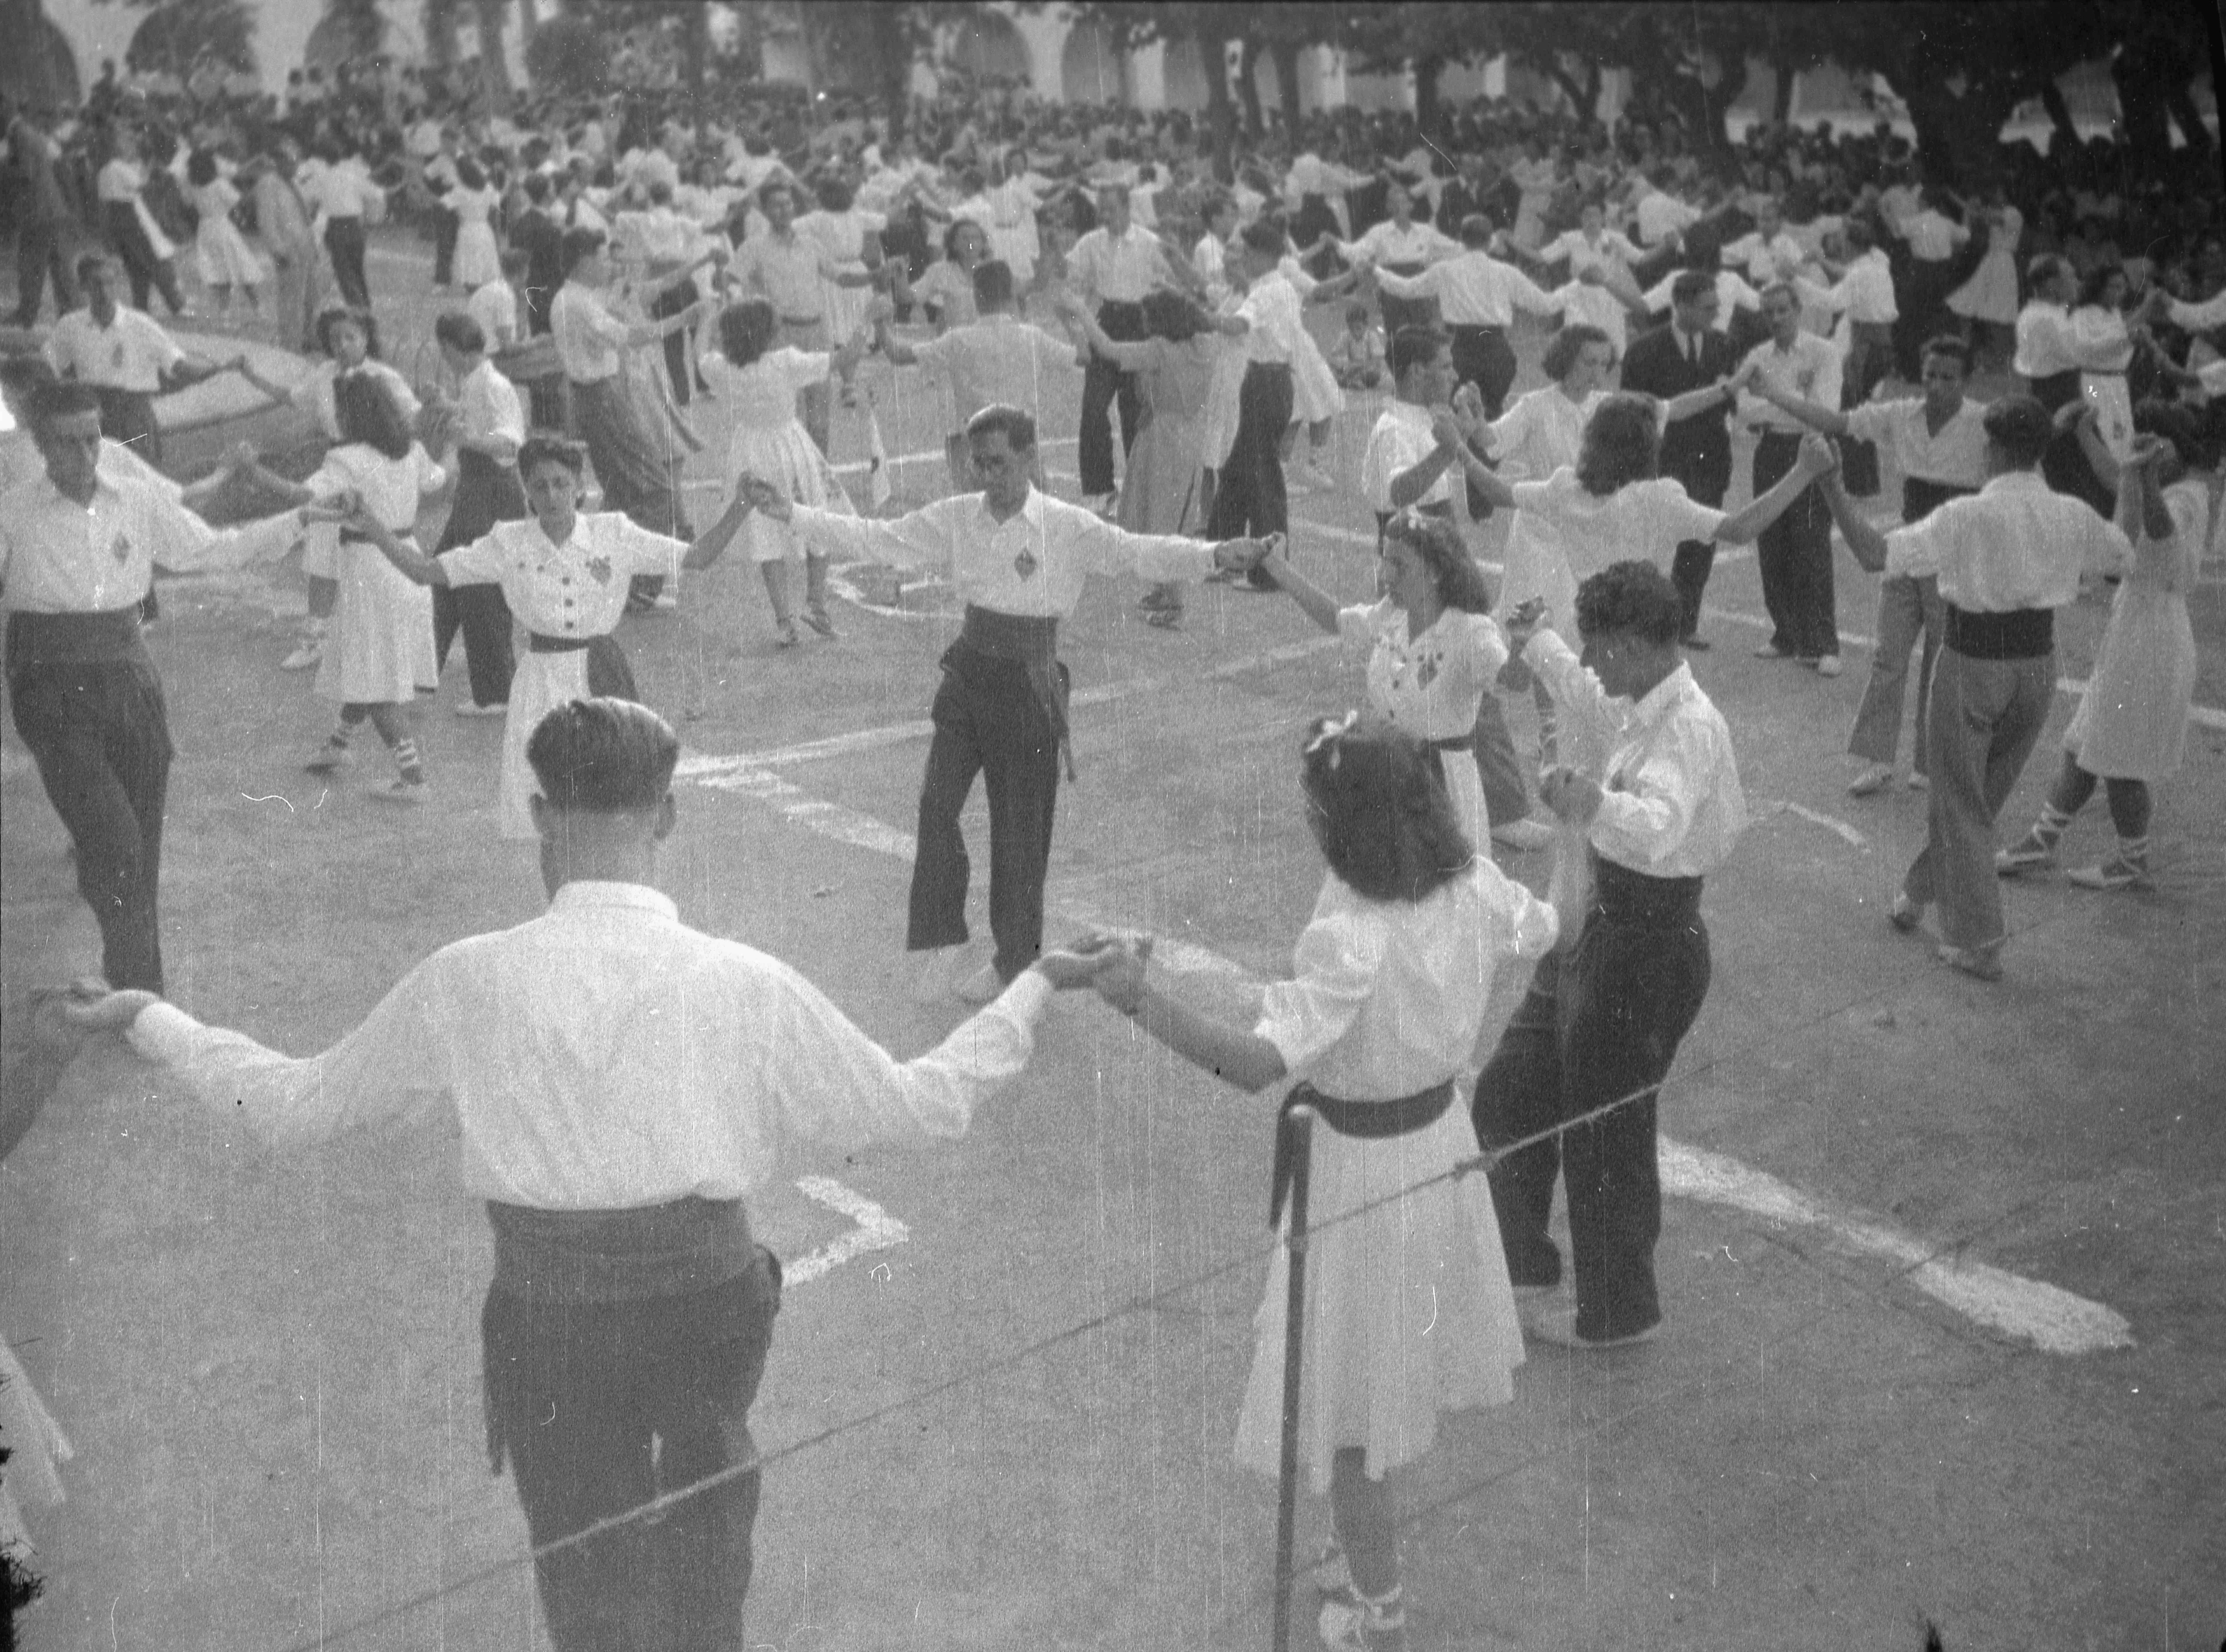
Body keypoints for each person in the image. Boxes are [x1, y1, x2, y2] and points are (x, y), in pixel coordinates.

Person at [54, 695, 1118, 1652]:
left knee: (584, 1564)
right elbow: (921, 1103)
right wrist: (1033, 988)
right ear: (665, 817)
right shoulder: (744, 977)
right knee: (710, 1539)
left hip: (551, 1315)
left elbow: (291, 1105)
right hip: (709, 1302)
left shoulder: (469, 975)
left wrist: (151, 1015)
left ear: (538, 808)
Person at [1082, 718, 1558, 1651]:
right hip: (1436, 1151)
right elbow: (1549, 924)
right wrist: (1575, 835)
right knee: (1379, 1381)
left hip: (1361, 1175)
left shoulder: (1352, 937)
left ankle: (1378, 1608)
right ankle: (1361, 1554)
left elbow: (1258, 1062)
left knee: (1348, 1414)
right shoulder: (1472, 887)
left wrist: (1140, 1000)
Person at [739, 405, 1270, 1003]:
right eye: (977, 464)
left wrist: (1214, 555)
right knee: (936, 804)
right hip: (968, 673)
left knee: (1020, 834)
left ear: (1029, 458)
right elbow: (878, 540)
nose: (986, 475)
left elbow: (1136, 552)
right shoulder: (957, 517)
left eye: (998, 462)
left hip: (1029, 685)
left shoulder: (1065, 527)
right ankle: (945, 936)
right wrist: (790, 513)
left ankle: (1016, 960)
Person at [1472, 560, 1746, 1350]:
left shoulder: (1690, 727)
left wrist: (1592, 804)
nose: (1591, 664)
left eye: (1599, 648)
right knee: (1512, 1087)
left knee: (1606, 1132)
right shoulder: (1636, 698)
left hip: (1648, 941)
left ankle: (1620, 1310)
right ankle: (1523, 1258)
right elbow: (1582, 688)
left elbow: (1658, 821)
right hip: (1596, 919)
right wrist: (1540, 640)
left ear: (1632, 646)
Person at [0, 381, 310, 993]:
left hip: (132, 680)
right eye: (66, 444)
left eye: (92, 439)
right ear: (38, 445)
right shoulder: (12, 513)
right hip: (50, 687)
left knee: (139, 845)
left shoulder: (136, 499)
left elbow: (212, 551)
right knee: (112, 839)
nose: (85, 456)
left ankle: (133, 986)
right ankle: (139, 986)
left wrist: (301, 519)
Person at [1814, 396, 2130, 981]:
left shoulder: (1964, 515)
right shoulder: (2072, 512)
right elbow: (2123, 555)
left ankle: (1980, 941)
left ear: (1994, 450)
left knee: (1960, 803)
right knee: (1976, 801)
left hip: (1972, 660)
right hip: (2039, 668)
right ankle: (1915, 892)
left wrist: (1832, 485)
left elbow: (1870, 553)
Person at [342, 434, 751, 840]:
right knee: (548, 812)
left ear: (579, 488)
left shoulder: (615, 534)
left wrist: (742, 505)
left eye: (561, 483)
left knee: (617, 803)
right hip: (541, 685)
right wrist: (372, 527)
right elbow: (425, 570)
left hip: (603, 675)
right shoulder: (508, 543)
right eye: (540, 486)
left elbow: (698, 558)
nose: (552, 495)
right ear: (528, 493)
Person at [1742, 333, 1990, 795]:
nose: (1937, 386)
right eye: (1931, 375)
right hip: (1905, 550)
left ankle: (1929, 763)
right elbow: (1834, 422)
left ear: (1967, 380)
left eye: (1949, 378)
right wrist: (1773, 394)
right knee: (1888, 660)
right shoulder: (1900, 415)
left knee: (1940, 665)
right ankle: (1879, 760)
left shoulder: (1983, 423)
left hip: (1952, 556)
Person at [1351, 325, 1544, 849]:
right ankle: (1491, 807)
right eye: (1444, 365)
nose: (1455, 373)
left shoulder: (1427, 421)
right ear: (1417, 372)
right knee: (1446, 674)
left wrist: (1461, 433)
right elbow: (1397, 493)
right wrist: (1446, 450)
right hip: (1416, 553)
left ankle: (1493, 803)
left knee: (1453, 673)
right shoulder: (1393, 426)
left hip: (1437, 545)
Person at [1995, 405, 2202, 891]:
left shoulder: (2189, 495)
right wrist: (2085, 431)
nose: (2148, 450)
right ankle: (2042, 841)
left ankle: (2132, 861)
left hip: (2155, 636)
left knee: (2119, 760)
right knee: (2082, 742)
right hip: (2134, 628)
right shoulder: (2163, 481)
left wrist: (2146, 476)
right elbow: (2118, 481)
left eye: (2158, 441)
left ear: (2178, 445)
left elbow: (2158, 528)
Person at [232, 374, 450, 801]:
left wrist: (252, 469)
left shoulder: (346, 459)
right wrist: (454, 444)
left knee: (374, 678)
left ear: (351, 415)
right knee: (368, 664)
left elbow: (301, 495)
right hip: (407, 562)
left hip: (369, 571)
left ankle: (413, 777)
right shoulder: (412, 451)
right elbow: (438, 481)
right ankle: (339, 744)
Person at [1254, 508, 1512, 847]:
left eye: (1398, 565)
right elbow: (1336, 619)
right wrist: (1276, 566)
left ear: (1434, 572)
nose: (1384, 574)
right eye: (1384, 560)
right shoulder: (1391, 614)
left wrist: (1528, 642)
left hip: (1444, 791)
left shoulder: (1471, 632)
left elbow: (1512, 681)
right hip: (1390, 780)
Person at [233, 306, 423, 672]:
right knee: (322, 550)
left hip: (375, 461)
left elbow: (413, 419)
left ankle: (393, 639)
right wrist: (249, 375)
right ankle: (315, 636)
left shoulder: (383, 377)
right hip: (336, 462)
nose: (342, 345)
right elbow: (290, 397)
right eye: (335, 339)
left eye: (350, 337)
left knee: (378, 551)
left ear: (366, 338)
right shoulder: (323, 375)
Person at [550, 226, 716, 612]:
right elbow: (628, 337)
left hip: (598, 394)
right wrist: (685, 318)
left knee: (621, 489)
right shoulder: (579, 302)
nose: (608, 264)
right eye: (602, 257)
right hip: (605, 395)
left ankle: (596, 569)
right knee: (654, 487)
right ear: (583, 260)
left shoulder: (574, 298)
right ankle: (641, 583)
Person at [700, 299, 869, 646]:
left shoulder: (723, 368)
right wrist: (866, 318)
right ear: (767, 334)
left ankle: (784, 621)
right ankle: (816, 603)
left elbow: (701, 354)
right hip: (791, 447)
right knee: (815, 517)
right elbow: (844, 358)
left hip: (750, 451)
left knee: (766, 535)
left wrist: (704, 319)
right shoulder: (786, 362)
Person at [1056, 286, 1220, 627]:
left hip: (1161, 438)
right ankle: (1163, 590)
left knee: (1160, 520)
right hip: (1188, 435)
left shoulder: (1159, 351)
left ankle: (1173, 600)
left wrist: (1083, 313)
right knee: (1173, 516)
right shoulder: (1203, 346)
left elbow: (1109, 349)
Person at [879, 257, 1076, 497]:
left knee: (978, 509)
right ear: (1011, 296)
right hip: (1021, 441)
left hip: (979, 441)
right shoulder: (1033, 337)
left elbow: (896, 354)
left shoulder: (959, 340)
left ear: (978, 297)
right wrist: (1070, 319)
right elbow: (1081, 357)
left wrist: (879, 323)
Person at [1618, 271, 1743, 648]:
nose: (1715, 313)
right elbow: (1632, 413)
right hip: (1662, 461)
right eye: (1707, 307)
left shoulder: (1724, 346)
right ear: (1682, 305)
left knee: (1699, 545)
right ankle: (1641, 626)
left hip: (1709, 460)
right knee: (1651, 545)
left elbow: (1735, 403)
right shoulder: (1642, 350)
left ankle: (1684, 626)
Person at [1734, 282, 1846, 674]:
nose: (1777, 319)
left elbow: (1824, 409)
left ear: (1798, 310)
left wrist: (1774, 398)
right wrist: (1783, 406)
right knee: (1772, 540)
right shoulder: (1758, 355)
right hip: (1771, 449)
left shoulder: (1824, 352)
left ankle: (1823, 643)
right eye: (1769, 313)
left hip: (1811, 447)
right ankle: (1786, 634)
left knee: (1811, 542)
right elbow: (1744, 411)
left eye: (1784, 310)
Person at [425, 312, 528, 716]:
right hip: (476, 489)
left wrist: (468, 439)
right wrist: (446, 405)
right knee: (446, 576)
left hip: (491, 492)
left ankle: (496, 693)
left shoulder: (493, 384)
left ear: (450, 348)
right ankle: (422, 670)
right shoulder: (475, 382)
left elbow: (510, 440)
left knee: (478, 587)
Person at [44, 254, 231, 472]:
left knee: (143, 479)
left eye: (110, 283)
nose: (105, 291)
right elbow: (48, 366)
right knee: (101, 479)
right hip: (96, 417)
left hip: (136, 417)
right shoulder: (70, 327)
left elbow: (178, 366)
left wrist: (221, 369)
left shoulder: (141, 325)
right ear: (84, 287)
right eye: (97, 284)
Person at [1067, 182, 1183, 511]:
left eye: (1111, 208)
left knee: (1136, 411)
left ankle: (1136, 489)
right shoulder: (1090, 243)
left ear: (1127, 208)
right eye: (1100, 209)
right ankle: (1099, 490)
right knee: (1093, 408)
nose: (1105, 216)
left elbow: (1173, 282)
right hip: (1106, 319)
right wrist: (1079, 335)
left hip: (1139, 323)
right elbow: (1071, 285)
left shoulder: (1149, 243)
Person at [1206, 219, 1307, 577]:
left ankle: (1269, 570)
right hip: (1269, 379)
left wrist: (1203, 320)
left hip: (1264, 380)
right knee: (1237, 466)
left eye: (1248, 253)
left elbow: (1238, 325)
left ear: (1264, 255)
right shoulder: (1282, 287)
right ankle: (1223, 553)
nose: (1243, 259)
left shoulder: (1265, 291)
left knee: (1260, 474)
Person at [96, 125, 187, 318]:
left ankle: (141, 306)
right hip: (132, 217)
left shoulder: (103, 172)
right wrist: (152, 169)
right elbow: (143, 185)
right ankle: (177, 305)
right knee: (156, 261)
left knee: (136, 266)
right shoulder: (119, 168)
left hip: (116, 221)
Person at [184, 148, 266, 315]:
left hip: (205, 229)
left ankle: (224, 310)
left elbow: (188, 204)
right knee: (241, 265)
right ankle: (257, 306)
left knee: (218, 269)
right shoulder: (219, 184)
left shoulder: (193, 187)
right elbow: (239, 200)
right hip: (222, 226)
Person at [1327, 303, 1387, 390]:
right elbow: (1333, 356)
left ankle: (1351, 382)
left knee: (1373, 375)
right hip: (1352, 369)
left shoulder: (1372, 336)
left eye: (1359, 328)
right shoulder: (1346, 335)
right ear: (1348, 326)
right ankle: (1352, 382)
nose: (1355, 333)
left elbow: (1377, 361)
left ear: (1366, 325)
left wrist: (1357, 367)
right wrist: (1341, 366)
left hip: (1367, 369)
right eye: (1351, 329)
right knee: (1330, 369)